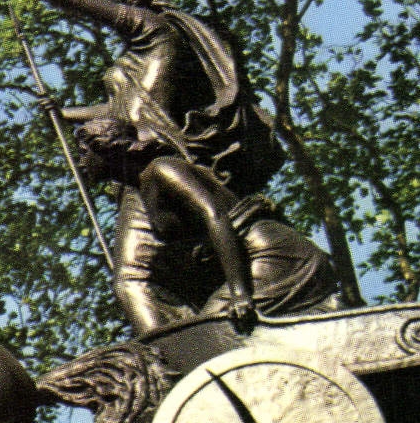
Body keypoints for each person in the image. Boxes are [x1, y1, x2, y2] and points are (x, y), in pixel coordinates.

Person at [0, 0, 286, 334]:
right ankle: (172, 348)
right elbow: (125, 109)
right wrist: (64, 113)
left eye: (124, 5)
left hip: (156, 159)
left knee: (136, 279)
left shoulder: (157, 32)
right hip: (134, 174)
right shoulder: (140, 65)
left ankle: (183, 347)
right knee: (131, 281)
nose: (117, 12)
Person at [74, 118, 347, 326]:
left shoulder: (162, 169)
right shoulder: (143, 185)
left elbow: (215, 216)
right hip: (254, 257)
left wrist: (240, 293)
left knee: (211, 328)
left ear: (105, 149)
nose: (79, 162)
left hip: (273, 255)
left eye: (83, 152)